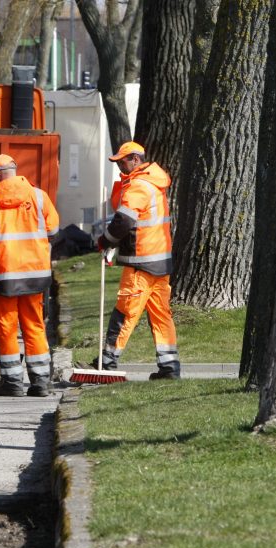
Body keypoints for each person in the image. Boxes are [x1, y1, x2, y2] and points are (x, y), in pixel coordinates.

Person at [0, 155, 59, 397]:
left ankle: (12, 382)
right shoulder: (39, 196)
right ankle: (40, 381)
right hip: (35, 274)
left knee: (6, 328)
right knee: (35, 326)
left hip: (2, 276)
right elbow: (53, 230)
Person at [94, 141, 180, 380]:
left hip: (141, 261)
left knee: (125, 312)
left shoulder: (139, 186)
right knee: (161, 314)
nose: (120, 166)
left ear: (134, 159)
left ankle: (108, 360)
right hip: (160, 261)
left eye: (122, 161)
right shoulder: (154, 183)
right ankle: (169, 366)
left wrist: (106, 240)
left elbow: (123, 222)